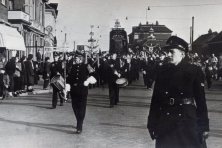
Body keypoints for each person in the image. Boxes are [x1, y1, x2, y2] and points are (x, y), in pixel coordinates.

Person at [147, 36, 209, 148]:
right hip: (166, 121)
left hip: (187, 121)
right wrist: (152, 123)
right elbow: (156, 100)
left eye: (172, 52)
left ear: (182, 53)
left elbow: (201, 102)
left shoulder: (194, 71)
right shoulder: (162, 71)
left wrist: (204, 126)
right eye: (167, 52)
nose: (168, 55)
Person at [66, 53, 90, 134]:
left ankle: (79, 126)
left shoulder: (86, 66)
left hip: (82, 90)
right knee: (75, 107)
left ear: (80, 59)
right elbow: (69, 78)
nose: (75, 59)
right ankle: (79, 121)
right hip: (74, 91)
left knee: (82, 108)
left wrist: (88, 81)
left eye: (76, 58)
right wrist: (67, 85)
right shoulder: (72, 67)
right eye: (75, 58)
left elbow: (94, 74)